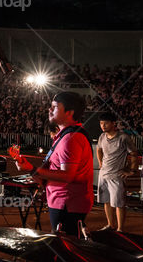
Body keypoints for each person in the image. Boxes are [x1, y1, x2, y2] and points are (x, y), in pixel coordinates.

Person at [19, 91, 94, 236]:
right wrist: (30, 169)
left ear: (69, 112)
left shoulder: (70, 138)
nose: (49, 110)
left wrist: (33, 168)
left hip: (67, 203)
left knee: (65, 247)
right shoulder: (66, 136)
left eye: (55, 107)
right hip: (64, 201)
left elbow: (67, 176)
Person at [96, 112, 137, 232]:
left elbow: (134, 154)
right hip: (103, 174)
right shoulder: (102, 137)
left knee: (119, 204)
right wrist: (100, 162)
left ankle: (120, 229)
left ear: (114, 123)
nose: (103, 126)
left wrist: (132, 171)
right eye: (101, 123)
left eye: (106, 123)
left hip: (116, 176)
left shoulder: (123, 137)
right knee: (106, 201)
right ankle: (110, 225)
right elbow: (99, 149)